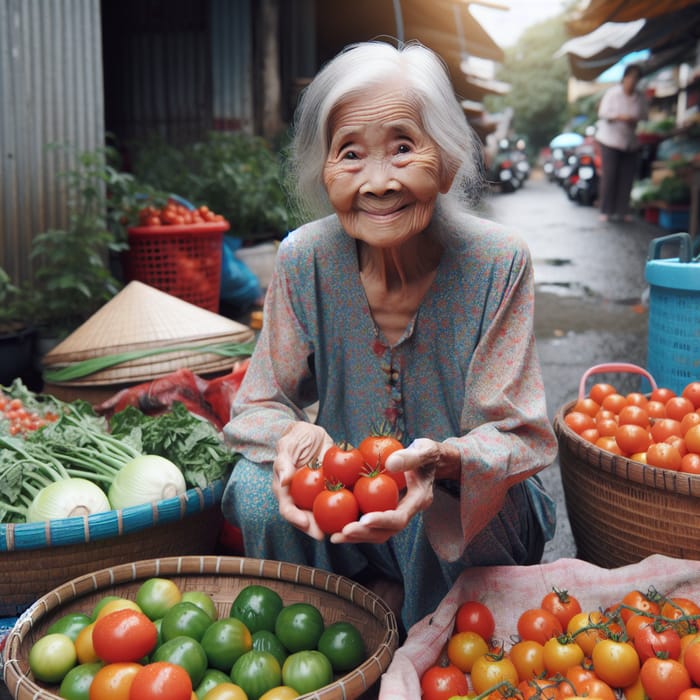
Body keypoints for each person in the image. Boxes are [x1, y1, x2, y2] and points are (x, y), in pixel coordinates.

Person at [222, 40, 557, 633]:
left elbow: (519, 436)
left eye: (403, 148)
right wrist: (295, 433)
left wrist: (447, 459)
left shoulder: (497, 261)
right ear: (323, 171)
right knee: (254, 488)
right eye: (350, 154)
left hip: (460, 515)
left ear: (448, 160)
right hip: (350, 501)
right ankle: (323, 641)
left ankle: (426, 638)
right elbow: (256, 404)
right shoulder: (306, 258)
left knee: (447, 512)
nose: (377, 182)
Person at [595, 63, 648, 222]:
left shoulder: (640, 97)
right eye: (630, 77)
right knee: (610, 175)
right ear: (624, 78)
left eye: (636, 78)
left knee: (627, 177)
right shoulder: (613, 94)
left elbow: (644, 115)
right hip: (610, 140)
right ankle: (605, 210)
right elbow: (603, 113)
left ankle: (623, 210)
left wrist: (633, 120)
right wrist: (620, 117)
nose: (632, 81)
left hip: (630, 141)